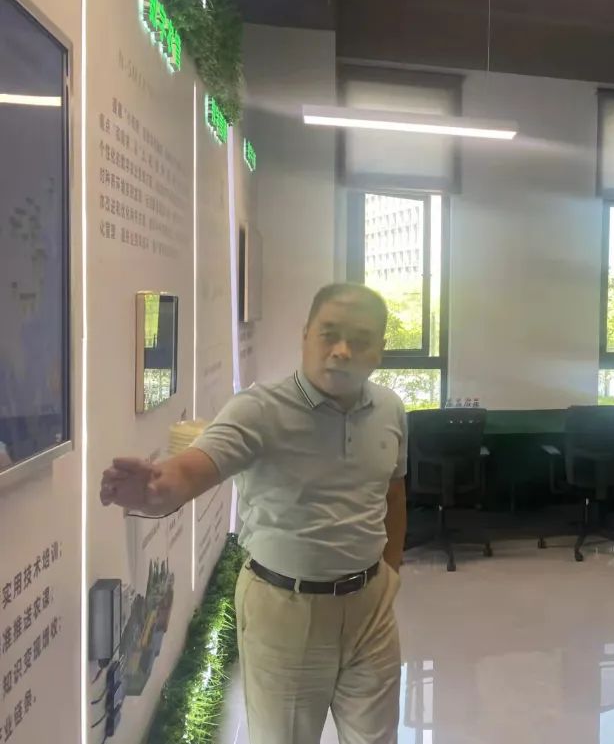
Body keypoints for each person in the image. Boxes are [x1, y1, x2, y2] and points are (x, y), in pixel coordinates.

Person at [100, 283, 408, 744]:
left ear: (380, 350)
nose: (342, 351)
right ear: (305, 335)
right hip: (287, 608)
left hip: (371, 606)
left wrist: (392, 572)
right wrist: (158, 490)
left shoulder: (390, 408)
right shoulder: (259, 410)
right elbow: (195, 466)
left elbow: (394, 494)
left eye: (360, 339)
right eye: (329, 334)